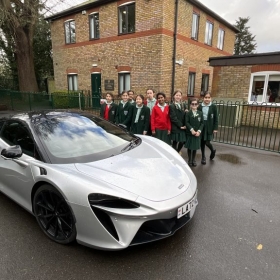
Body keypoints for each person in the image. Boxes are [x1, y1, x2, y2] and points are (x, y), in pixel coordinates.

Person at [197, 92, 218, 165]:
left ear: (210, 98)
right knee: (202, 142)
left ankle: (213, 150)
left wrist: (215, 128)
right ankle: (203, 157)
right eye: (205, 97)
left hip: (209, 126)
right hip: (202, 125)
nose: (207, 99)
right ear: (203, 98)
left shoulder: (213, 106)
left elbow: (216, 118)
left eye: (208, 97)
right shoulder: (200, 106)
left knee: (207, 142)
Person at [184, 98, 204, 166]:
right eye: (193, 104)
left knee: (195, 147)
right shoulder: (188, 113)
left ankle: (193, 159)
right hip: (190, 133)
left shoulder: (200, 113)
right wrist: (191, 130)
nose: (194, 105)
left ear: (198, 105)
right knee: (190, 147)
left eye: (195, 104)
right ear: (190, 105)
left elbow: (202, 123)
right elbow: (186, 122)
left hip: (197, 133)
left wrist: (199, 131)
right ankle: (189, 159)